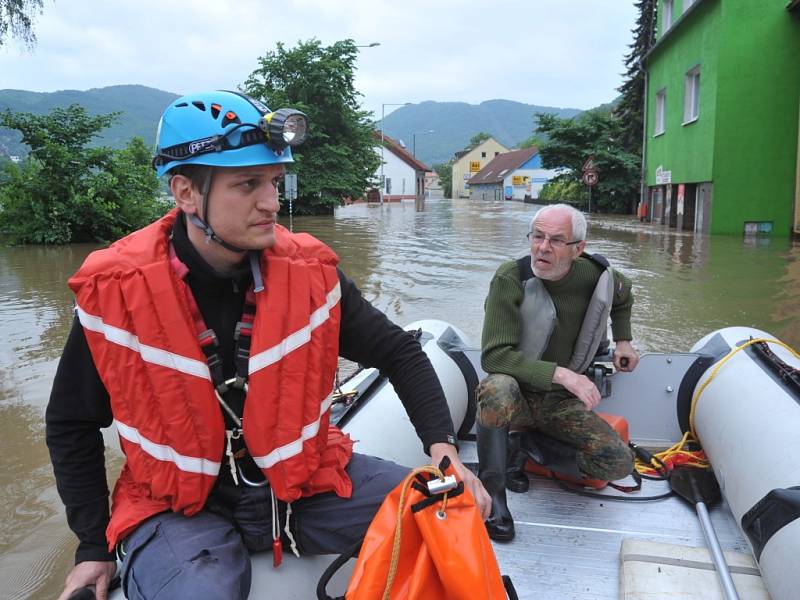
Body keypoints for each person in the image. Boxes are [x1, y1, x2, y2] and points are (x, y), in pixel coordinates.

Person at [46, 90, 489, 600]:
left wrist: (445, 452)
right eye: (248, 184)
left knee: (447, 513)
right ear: (186, 193)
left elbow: (400, 352)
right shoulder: (118, 293)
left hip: (302, 487)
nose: (271, 202)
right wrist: (91, 547)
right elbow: (70, 424)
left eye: (274, 182)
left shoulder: (313, 277)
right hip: (180, 508)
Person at [476, 203, 639, 542]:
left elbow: (622, 294)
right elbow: (494, 357)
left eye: (555, 240)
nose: (542, 248)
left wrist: (624, 340)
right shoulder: (511, 279)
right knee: (496, 388)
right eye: (537, 237)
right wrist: (564, 375)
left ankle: (523, 448)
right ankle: (494, 496)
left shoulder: (594, 273)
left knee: (618, 464)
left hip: (559, 405)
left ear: (578, 249)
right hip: (517, 396)